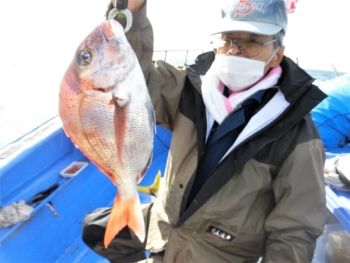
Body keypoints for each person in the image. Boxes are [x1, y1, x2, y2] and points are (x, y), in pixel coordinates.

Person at [82, 0, 328, 262]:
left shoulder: (297, 134)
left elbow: (294, 231)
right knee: (94, 226)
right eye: (228, 39)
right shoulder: (191, 89)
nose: (236, 50)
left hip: (217, 253)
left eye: (253, 41)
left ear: (277, 53)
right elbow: (130, 76)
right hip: (166, 227)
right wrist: (128, 13)